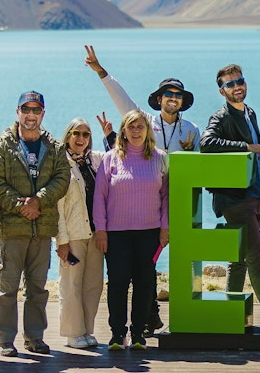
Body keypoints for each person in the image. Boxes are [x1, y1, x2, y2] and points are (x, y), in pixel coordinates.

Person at [84, 43, 198, 335]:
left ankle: (178, 314)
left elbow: (198, 167)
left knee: (174, 261)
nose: (173, 99)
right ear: (159, 99)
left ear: (182, 102)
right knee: (145, 266)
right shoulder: (145, 122)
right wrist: (101, 72)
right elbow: (122, 101)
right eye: (168, 94)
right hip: (148, 206)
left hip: (182, 203)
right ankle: (150, 315)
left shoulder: (192, 131)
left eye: (178, 96)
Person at [0, 91, 70, 358]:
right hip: (13, 230)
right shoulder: (2, 145)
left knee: (38, 290)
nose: (30, 115)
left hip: (42, 230)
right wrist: (21, 205)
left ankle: (35, 338)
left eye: (36, 110)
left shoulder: (54, 147)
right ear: (17, 112)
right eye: (26, 109)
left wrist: (38, 201)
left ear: (43, 114)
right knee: (7, 290)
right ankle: (5, 340)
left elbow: (62, 178)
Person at [94, 109, 169, 350]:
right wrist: (101, 230)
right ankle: (118, 334)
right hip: (116, 234)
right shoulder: (110, 158)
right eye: (131, 126)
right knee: (117, 283)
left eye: (140, 126)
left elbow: (167, 196)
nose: (136, 131)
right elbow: (99, 198)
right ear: (123, 131)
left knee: (145, 283)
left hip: (149, 233)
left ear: (148, 131)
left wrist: (165, 227)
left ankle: (138, 334)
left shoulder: (160, 158)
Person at [200, 64, 260, 311]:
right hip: (235, 199)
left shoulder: (250, 112)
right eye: (230, 84)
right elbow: (206, 143)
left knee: (239, 258)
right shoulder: (221, 116)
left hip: (257, 195)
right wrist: (246, 147)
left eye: (240, 81)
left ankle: (230, 312)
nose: (237, 87)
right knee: (258, 259)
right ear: (222, 91)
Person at [56, 115, 111, 349]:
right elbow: (56, 207)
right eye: (76, 133)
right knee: (71, 285)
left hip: (95, 234)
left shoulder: (95, 160)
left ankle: (87, 330)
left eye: (85, 134)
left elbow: (120, 154)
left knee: (93, 285)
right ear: (68, 136)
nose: (81, 138)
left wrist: (109, 135)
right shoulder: (59, 164)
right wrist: (61, 240)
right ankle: (73, 333)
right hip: (73, 235)